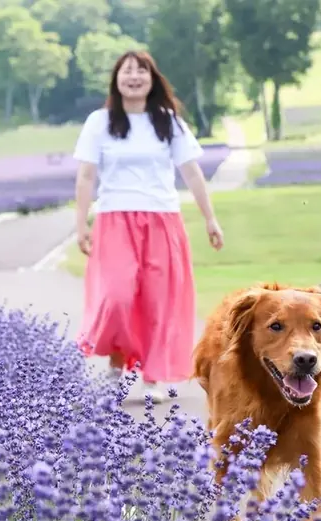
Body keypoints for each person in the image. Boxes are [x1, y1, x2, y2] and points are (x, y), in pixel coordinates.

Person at [72, 50, 224, 403]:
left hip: (161, 219)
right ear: (116, 80)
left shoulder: (168, 122)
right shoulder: (100, 121)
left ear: (153, 79)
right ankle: (116, 359)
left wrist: (209, 218)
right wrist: (81, 224)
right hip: (115, 218)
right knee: (118, 296)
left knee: (159, 301)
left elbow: (191, 172)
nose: (134, 77)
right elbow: (86, 176)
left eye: (141, 71)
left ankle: (154, 377)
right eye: (127, 71)